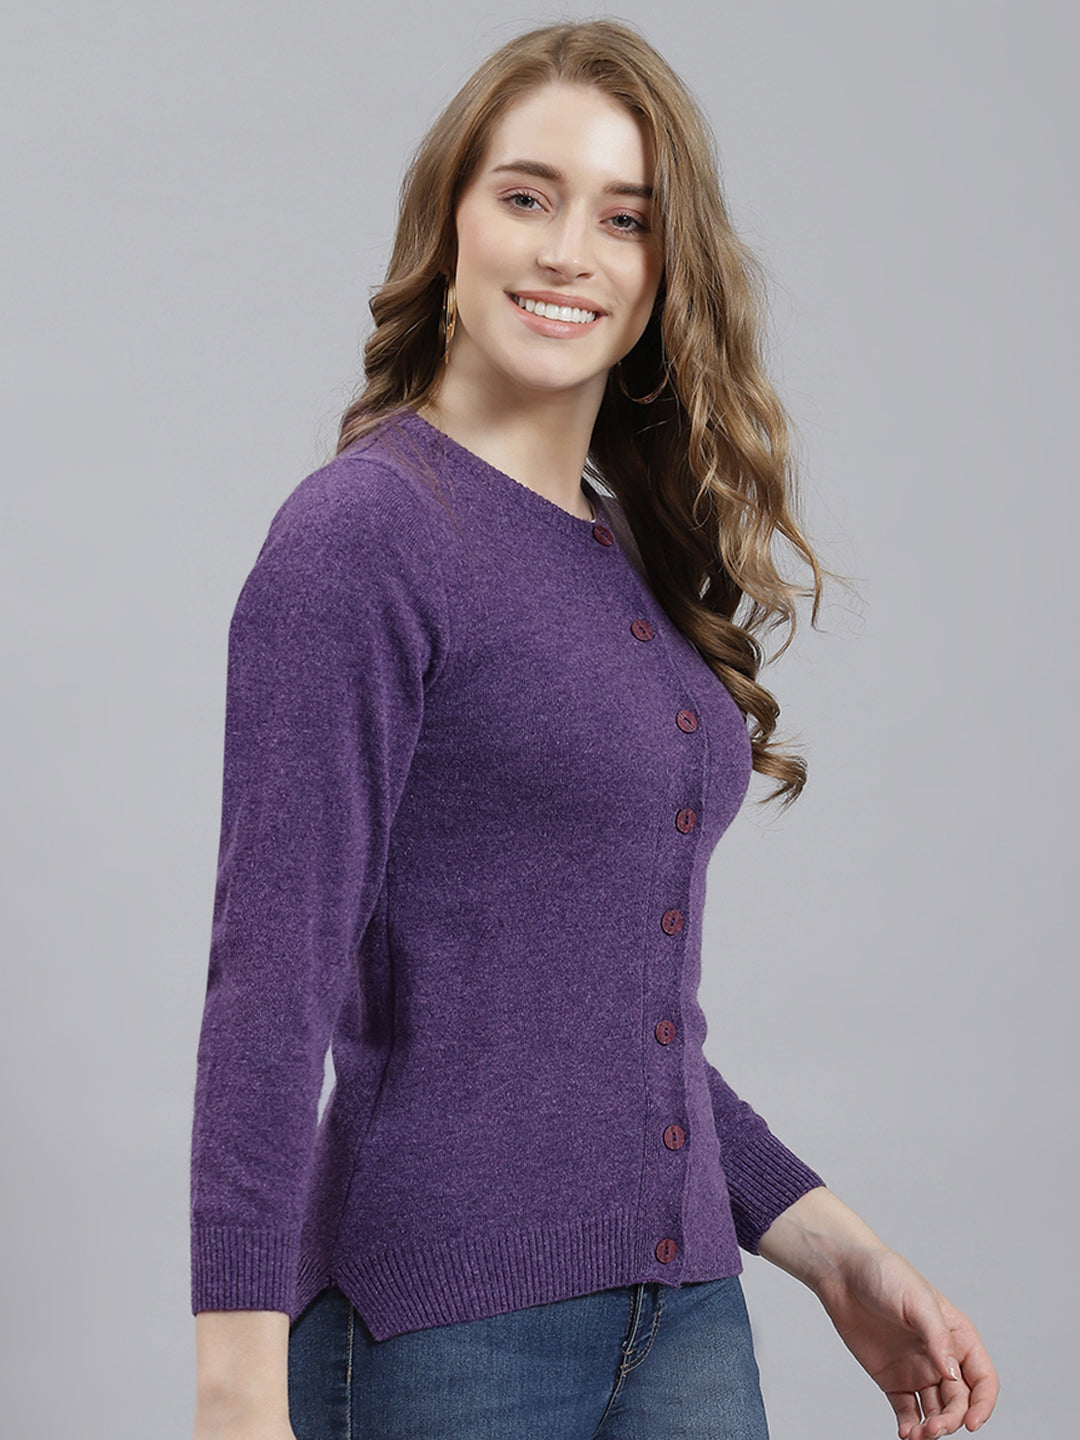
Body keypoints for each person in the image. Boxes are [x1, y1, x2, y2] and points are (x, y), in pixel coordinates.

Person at [189, 18, 999, 1440]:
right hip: (439, 1329)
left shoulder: (625, 551)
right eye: (528, 196)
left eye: (625, 218)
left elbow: (605, 1018)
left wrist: (834, 1251)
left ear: (664, 271)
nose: (570, 252)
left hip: (684, 1317)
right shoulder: (366, 536)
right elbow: (268, 989)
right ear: (450, 222)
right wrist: (237, 1388)